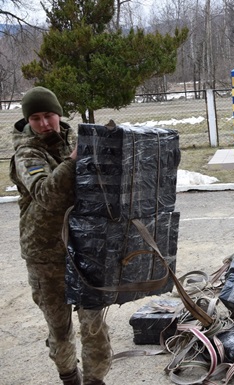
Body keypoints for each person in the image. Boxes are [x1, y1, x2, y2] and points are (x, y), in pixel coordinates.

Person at [10, 86, 112, 385]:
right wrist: (73, 161)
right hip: (46, 254)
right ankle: (69, 377)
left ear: (58, 115)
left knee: (94, 326)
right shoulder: (26, 152)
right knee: (59, 329)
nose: (43, 124)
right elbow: (46, 194)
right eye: (36, 118)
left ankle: (95, 381)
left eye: (48, 115)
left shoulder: (77, 140)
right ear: (28, 121)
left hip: (84, 248)